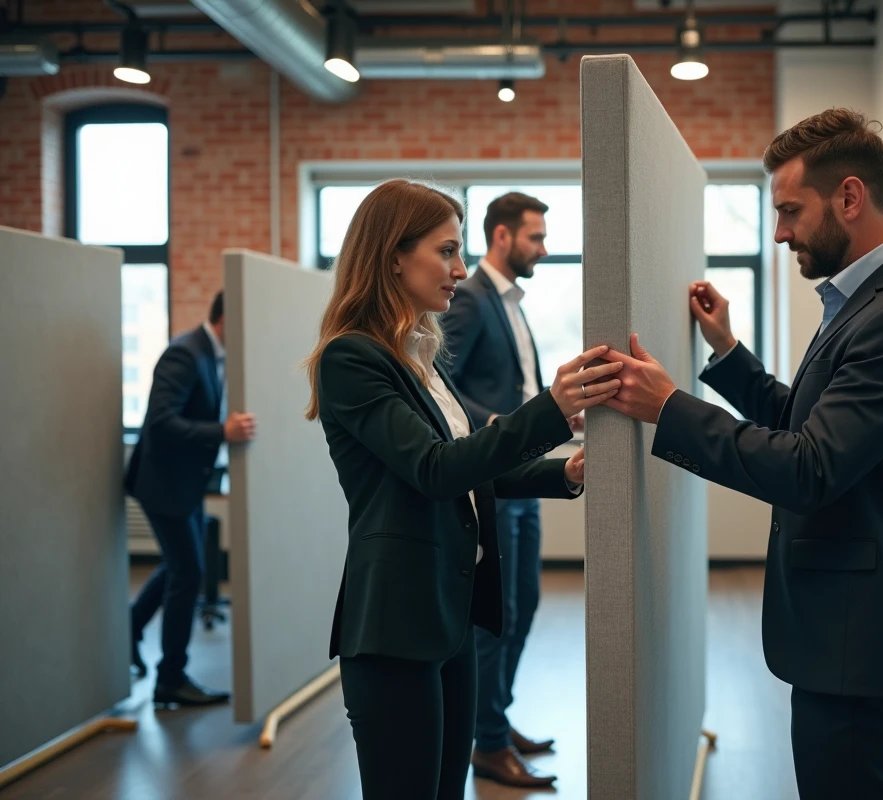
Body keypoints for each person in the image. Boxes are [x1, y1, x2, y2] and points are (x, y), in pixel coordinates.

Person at [599, 108, 883, 799]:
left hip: (865, 638)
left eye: (789, 211)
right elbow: (809, 426)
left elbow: (809, 468)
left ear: (850, 197)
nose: (778, 233)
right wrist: (727, 353)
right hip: (851, 631)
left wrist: (667, 409)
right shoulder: (872, 302)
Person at [303, 179, 622, 800]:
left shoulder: (420, 357)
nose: (459, 269)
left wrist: (565, 472)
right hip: (396, 624)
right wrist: (550, 410)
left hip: (448, 614)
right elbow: (436, 468)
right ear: (394, 256)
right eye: (445, 252)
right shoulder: (353, 359)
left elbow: (471, 469)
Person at [440, 191, 574, 788]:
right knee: (499, 614)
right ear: (502, 237)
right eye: (535, 238)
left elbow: (521, 384)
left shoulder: (511, 302)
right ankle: (488, 742)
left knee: (523, 606)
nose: (543, 249)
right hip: (494, 474)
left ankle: (494, 719)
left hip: (524, 473)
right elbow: (439, 380)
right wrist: (494, 424)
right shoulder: (469, 300)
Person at [127, 290, 257, 706]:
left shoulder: (211, 354)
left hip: (186, 482)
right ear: (227, 318)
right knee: (189, 572)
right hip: (163, 484)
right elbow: (161, 423)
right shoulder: (185, 354)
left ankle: (130, 627)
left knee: (179, 566)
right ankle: (170, 681)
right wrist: (223, 432)